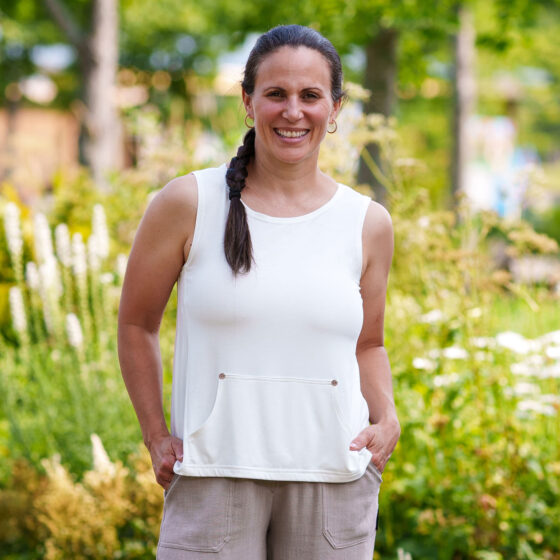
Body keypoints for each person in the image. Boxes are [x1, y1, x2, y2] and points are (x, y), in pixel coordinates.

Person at [118, 24, 401, 560]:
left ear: (335, 109)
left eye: (310, 96)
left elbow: (369, 344)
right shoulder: (187, 202)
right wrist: (156, 435)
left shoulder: (367, 222)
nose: (293, 111)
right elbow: (136, 325)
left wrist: (386, 416)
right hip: (213, 475)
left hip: (333, 478)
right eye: (276, 94)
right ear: (248, 102)